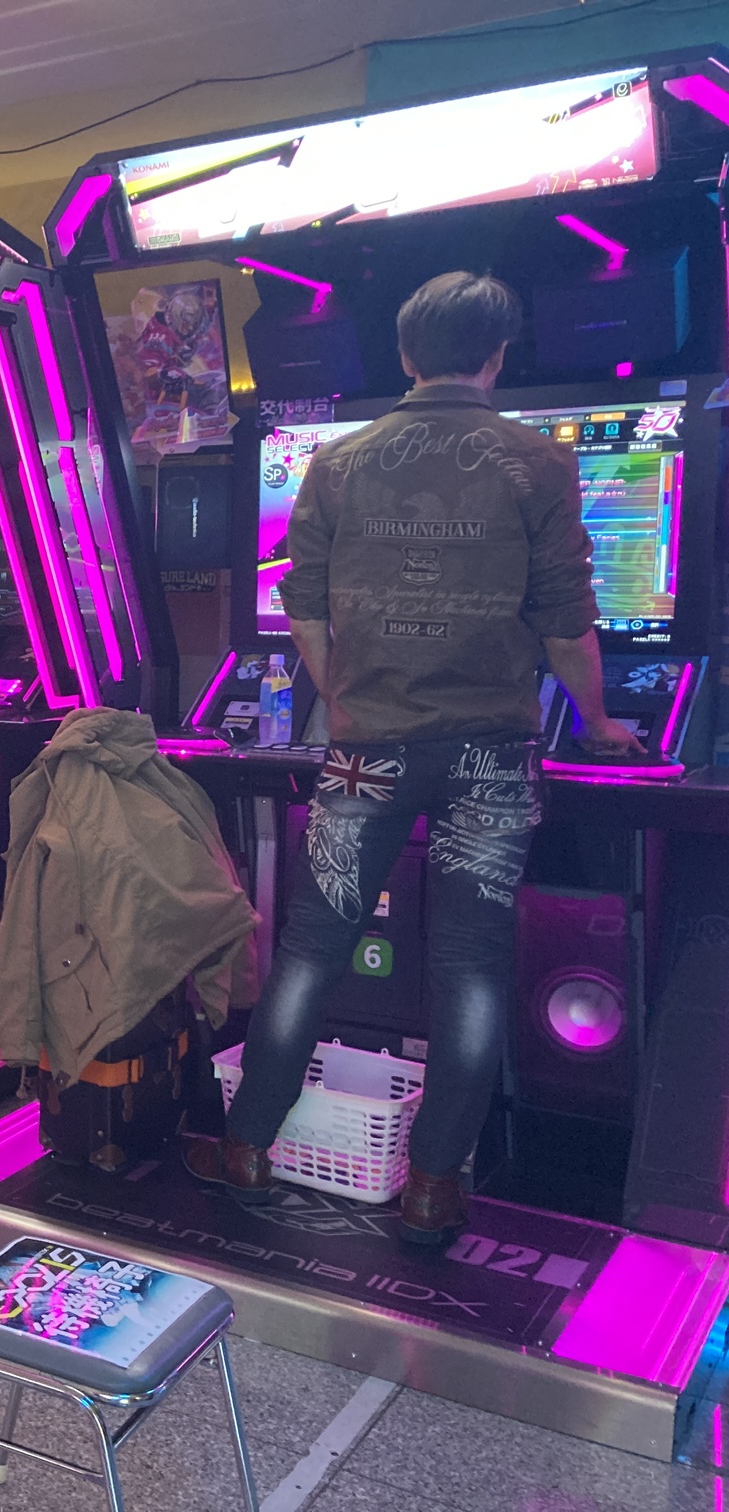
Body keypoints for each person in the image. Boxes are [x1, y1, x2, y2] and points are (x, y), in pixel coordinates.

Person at [184, 271, 643, 1244]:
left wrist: (344, 694)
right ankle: (433, 1186)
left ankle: (247, 1147)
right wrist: (600, 724)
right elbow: (567, 623)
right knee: (471, 966)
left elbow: (303, 603)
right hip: (493, 756)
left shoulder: (338, 462)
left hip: (368, 750)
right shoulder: (538, 464)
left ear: (404, 355)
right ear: (497, 356)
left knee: (311, 951)